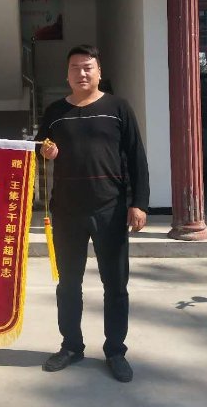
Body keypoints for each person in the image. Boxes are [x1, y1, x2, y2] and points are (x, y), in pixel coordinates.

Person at [35, 44, 149, 383]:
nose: (81, 73)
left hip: (110, 208)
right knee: (69, 284)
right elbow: (37, 150)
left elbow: (136, 157)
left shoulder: (118, 108)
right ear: (66, 74)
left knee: (115, 284)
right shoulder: (55, 111)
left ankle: (115, 351)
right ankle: (71, 346)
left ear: (99, 71)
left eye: (88, 67)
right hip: (67, 210)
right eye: (75, 68)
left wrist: (139, 203)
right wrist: (45, 151)